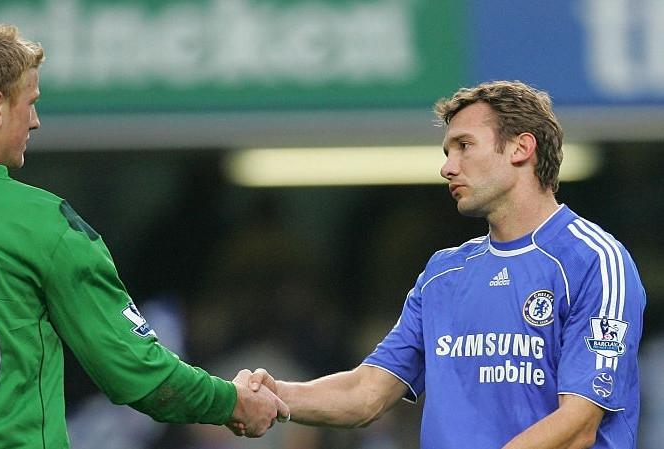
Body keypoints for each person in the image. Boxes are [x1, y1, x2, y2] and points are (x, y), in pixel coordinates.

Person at [0, 15, 287, 448]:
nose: (36, 120)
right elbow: (135, 370)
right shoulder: (45, 224)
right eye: (31, 103)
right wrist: (230, 402)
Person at [242, 80, 646, 448]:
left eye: (464, 146)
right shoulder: (444, 274)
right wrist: (273, 394)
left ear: (521, 148)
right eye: (447, 152)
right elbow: (366, 393)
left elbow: (578, 425)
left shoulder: (594, 260)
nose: (448, 167)